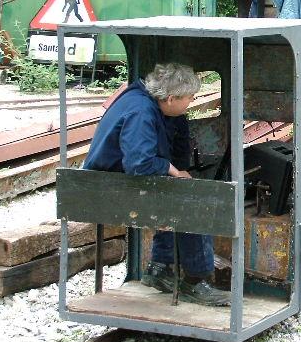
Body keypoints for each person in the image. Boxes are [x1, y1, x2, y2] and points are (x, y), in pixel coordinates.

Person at [82, 63, 230, 306]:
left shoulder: (146, 100)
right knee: (193, 200)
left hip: (108, 182)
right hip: (109, 188)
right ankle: (196, 281)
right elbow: (139, 164)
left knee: (172, 191)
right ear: (171, 98)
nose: (191, 103)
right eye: (190, 99)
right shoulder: (141, 112)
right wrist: (172, 170)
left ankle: (161, 268)